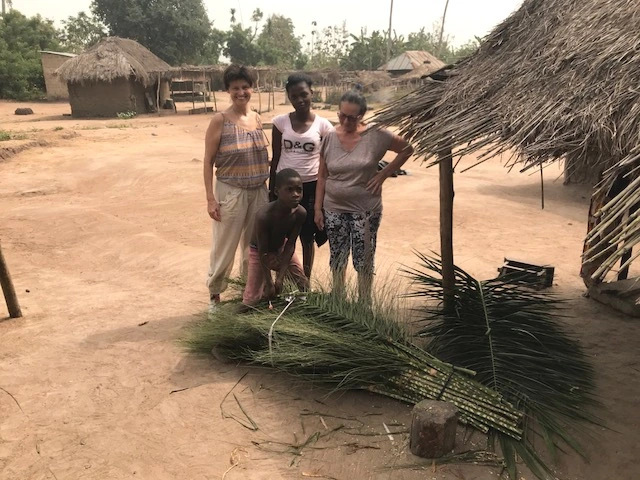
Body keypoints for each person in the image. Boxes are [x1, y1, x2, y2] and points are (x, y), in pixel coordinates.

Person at [314, 89, 414, 302]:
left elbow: (407, 149)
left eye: (352, 117)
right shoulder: (330, 137)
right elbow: (322, 175)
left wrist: (384, 174)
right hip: (334, 208)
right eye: (342, 115)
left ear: (362, 116)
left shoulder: (377, 135)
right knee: (337, 257)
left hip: (365, 210)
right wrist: (317, 208)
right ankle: (338, 300)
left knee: (364, 259)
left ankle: (364, 303)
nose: (345, 121)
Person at [203, 64, 270, 312]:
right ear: (227, 91)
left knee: (253, 248)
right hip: (231, 191)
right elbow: (208, 161)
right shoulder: (220, 121)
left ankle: (248, 293)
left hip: (259, 191)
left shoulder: (257, 119)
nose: (241, 92)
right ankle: (215, 296)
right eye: (235, 88)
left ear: (252, 88)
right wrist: (210, 199)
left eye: (245, 87)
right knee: (224, 246)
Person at [269, 73, 334, 281]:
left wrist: (324, 198)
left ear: (312, 93)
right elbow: (275, 158)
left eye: (304, 94)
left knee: (307, 237)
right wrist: (272, 191)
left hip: (311, 188)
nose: (300, 100)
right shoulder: (280, 123)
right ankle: (285, 281)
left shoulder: (323, 126)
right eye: (294, 96)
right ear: (289, 97)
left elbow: (328, 163)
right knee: (283, 237)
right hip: (284, 189)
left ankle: (306, 283)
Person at [243, 168, 309, 305]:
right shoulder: (264, 216)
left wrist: (280, 278)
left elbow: (290, 244)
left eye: (299, 190)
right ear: (277, 192)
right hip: (259, 251)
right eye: (289, 190)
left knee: (303, 284)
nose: (295, 194)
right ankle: (240, 314)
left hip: (281, 246)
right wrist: (269, 282)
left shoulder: (300, 213)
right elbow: (262, 250)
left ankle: (300, 308)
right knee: (252, 298)